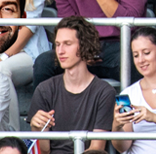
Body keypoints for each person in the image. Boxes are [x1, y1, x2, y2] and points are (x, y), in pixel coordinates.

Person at [29, 17, 116, 154]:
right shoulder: (44, 89)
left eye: (67, 44)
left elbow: (96, 149)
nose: (60, 51)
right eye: (57, 44)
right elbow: (44, 151)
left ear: (84, 46)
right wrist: (37, 128)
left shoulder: (104, 92)